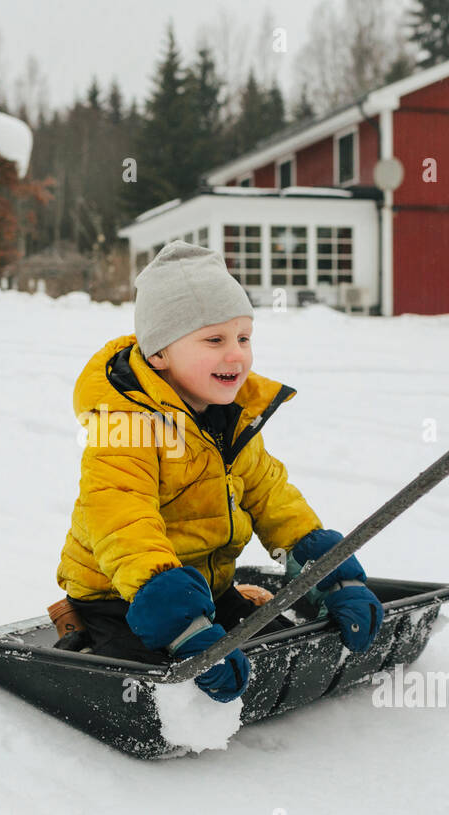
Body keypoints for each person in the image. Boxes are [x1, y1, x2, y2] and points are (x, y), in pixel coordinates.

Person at [55, 240, 383, 702]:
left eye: (243, 338)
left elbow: (273, 498)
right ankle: (103, 647)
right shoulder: (125, 429)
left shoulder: (231, 421)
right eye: (214, 340)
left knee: (271, 644)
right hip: (124, 595)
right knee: (163, 674)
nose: (236, 356)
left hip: (206, 587)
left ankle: (204, 622)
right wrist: (179, 621)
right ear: (159, 354)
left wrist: (331, 574)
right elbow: (122, 521)